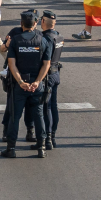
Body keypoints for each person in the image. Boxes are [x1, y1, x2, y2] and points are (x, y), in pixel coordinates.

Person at [1, 9, 51, 159]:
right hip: (37, 85)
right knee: (39, 115)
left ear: (21, 23)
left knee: (15, 116)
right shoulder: (42, 40)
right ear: (35, 24)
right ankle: (41, 147)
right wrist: (37, 82)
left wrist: (21, 82)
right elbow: (46, 65)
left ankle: (11, 148)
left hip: (19, 85)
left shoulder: (16, 40)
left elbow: (11, 64)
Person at [39, 10, 64, 150]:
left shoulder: (45, 38)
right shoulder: (59, 36)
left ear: (43, 22)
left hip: (47, 75)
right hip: (56, 73)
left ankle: (47, 137)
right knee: (53, 106)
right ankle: (52, 136)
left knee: (46, 106)